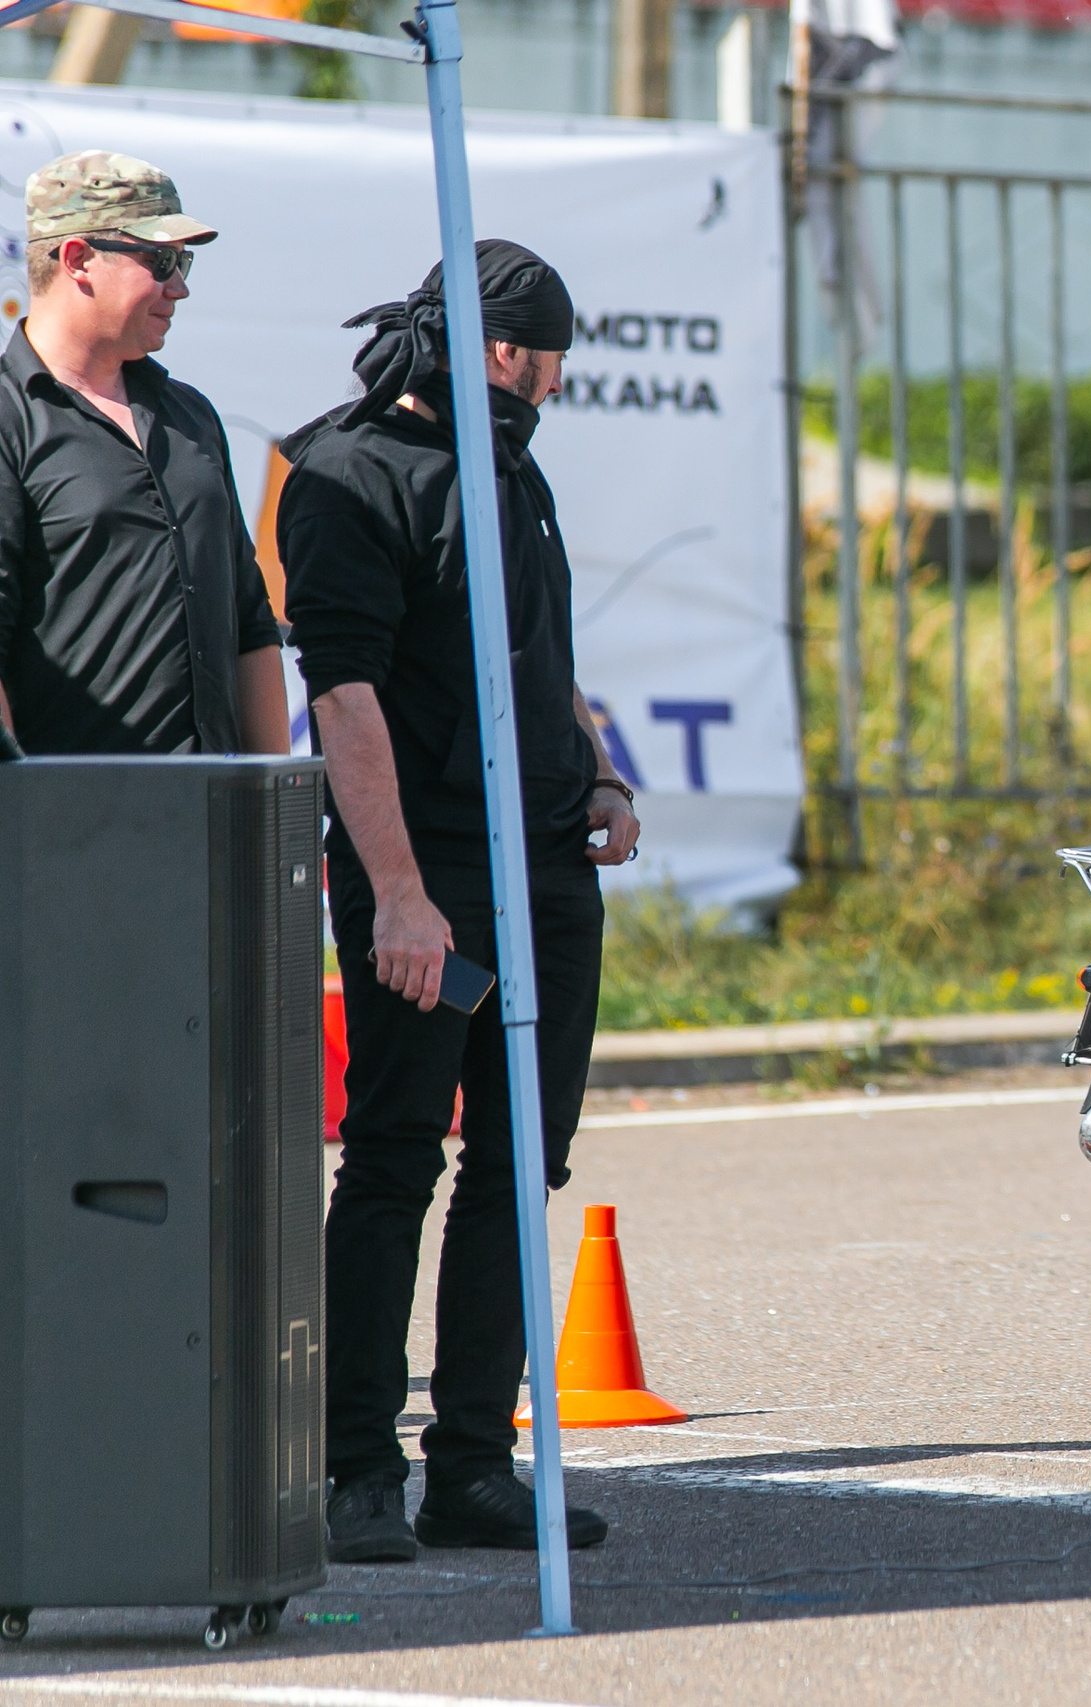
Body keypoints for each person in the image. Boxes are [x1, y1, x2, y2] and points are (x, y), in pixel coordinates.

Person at [281, 240, 641, 1562]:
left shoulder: (511, 468)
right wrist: (398, 896)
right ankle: (356, 1465)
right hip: (429, 870)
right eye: (542, 359)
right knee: (391, 1158)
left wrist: (595, 767)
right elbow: (347, 693)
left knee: (519, 1166)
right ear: (496, 351)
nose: (549, 383)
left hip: (543, 861)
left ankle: (476, 1464)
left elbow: (535, 648)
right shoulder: (345, 474)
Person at [0, 151, 288, 756]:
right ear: (78, 259)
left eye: (182, 262)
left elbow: (251, 624)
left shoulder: (191, 416)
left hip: (215, 823)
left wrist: (272, 813)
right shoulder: (10, 418)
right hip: (71, 832)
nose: (179, 287)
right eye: (160, 261)